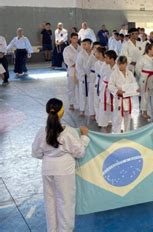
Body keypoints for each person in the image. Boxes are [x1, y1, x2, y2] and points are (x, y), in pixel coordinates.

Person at [31, 98, 90, 232]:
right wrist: (84, 137)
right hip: (65, 171)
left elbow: (36, 153)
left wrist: (50, 155)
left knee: (50, 202)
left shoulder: (42, 132)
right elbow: (79, 152)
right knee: (65, 203)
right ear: (62, 112)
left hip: (47, 169)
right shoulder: (68, 132)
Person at [108, 56, 138, 133]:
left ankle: (127, 133)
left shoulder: (130, 73)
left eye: (123, 64)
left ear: (126, 64)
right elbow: (110, 86)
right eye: (120, 64)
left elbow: (134, 83)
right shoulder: (114, 74)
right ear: (117, 64)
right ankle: (116, 134)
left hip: (128, 99)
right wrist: (117, 91)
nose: (122, 65)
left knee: (128, 118)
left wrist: (136, 88)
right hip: (119, 99)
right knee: (117, 119)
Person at [136, 43, 153, 120]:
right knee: (145, 95)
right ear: (149, 50)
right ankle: (144, 111)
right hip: (145, 78)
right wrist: (143, 76)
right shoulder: (142, 58)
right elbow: (137, 69)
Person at [97, 50, 117, 131]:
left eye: (106, 58)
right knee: (103, 106)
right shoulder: (104, 65)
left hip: (114, 88)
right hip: (105, 87)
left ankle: (114, 122)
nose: (104, 59)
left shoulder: (117, 66)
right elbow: (101, 76)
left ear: (112, 59)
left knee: (115, 106)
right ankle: (103, 124)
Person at [75, 39, 93, 117]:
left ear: (90, 44)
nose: (83, 46)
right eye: (83, 44)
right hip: (84, 77)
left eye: (85, 44)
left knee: (92, 95)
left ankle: (92, 112)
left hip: (93, 77)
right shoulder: (80, 54)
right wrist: (83, 74)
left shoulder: (94, 53)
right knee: (82, 94)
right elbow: (78, 66)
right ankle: (82, 110)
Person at [63, 33, 81, 110]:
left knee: (80, 88)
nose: (75, 40)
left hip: (80, 71)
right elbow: (66, 60)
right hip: (72, 71)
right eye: (74, 38)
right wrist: (74, 64)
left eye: (76, 38)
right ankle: (71, 103)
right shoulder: (67, 49)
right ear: (70, 39)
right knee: (71, 88)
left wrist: (80, 65)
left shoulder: (81, 48)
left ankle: (81, 103)